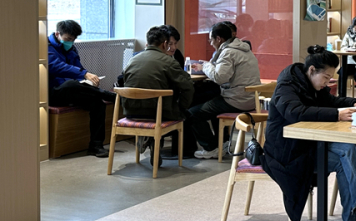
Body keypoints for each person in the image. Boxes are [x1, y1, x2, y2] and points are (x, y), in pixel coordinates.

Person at [262, 46, 356, 221]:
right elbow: (295, 112)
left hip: (306, 145)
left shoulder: (310, 84)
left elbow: (329, 101)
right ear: (312, 70)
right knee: (344, 158)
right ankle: (355, 217)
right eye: (326, 77)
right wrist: (337, 115)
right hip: (287, 155)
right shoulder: (287, 86)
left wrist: (352, 103)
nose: (327, 82)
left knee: (347, 149)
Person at [122, 26, 195, 164]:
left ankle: (150, 138)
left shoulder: (132, 60)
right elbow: (188, 86)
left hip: (131, 111)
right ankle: (162, 142)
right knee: (185, 115)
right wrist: (182, 106)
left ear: (147, 43)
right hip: (159, 113)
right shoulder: (168, 61)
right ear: (164, 44)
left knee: (157, 108)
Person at [189, 22, 261, 159]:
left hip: (237, 100)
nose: (210, 43)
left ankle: (211, 148)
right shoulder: (244, 49)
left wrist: (205, 66)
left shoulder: (228, 52)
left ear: (218, 39)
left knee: (193, 113)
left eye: (211, 40)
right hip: (250, 99)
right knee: (211, 101)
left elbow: (219, 77)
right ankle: (222, 142)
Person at [48, 20, 116, 158]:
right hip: (54, 93)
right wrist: (84, 74)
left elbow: (78, 69)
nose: (70, 42)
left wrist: (89, 81)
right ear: (57, 34)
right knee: (70, 84)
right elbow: (56, 67)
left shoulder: (71, 49)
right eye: (68, 39)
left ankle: (96, 146)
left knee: (97, 103)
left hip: (73, 91)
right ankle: (109, 95)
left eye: (73, 39)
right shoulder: (46, 47)